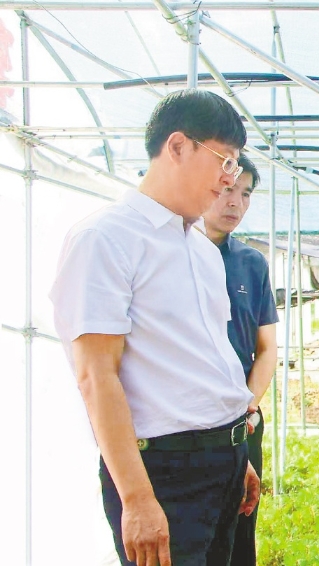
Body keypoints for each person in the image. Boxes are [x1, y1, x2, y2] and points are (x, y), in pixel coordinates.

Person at [50, 89, 260, 566]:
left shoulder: (202, 250)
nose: (230, 179)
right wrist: (137, 498)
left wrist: (233, 451)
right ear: (178, 146)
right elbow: (96, 375)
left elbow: (210, 360)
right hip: (164, 471)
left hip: (223, 460)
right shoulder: (105, 239)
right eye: (225, 161)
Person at [202, 154, 279, 566]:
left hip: (242, 421)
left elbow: (266, 349)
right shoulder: (174, 254)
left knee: (240, 530)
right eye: (229, 189)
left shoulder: (252, 262)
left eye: (246, 193)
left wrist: (248, 407)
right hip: (192, 424)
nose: (236, 202)